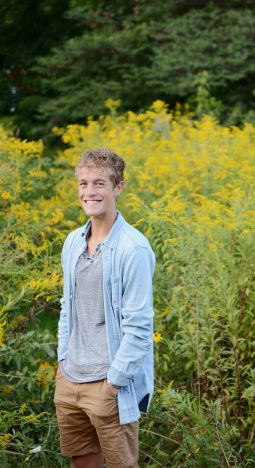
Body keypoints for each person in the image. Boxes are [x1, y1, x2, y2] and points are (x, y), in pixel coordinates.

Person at [54, 147, 156, 468]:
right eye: (83, 183)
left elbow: (139, 326)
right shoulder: (73, 241)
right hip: (70, 378)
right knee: (82, 463)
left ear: (118, 187)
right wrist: (62, 359)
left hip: (107, 383)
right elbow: (68, 307)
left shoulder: (133, 249)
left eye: (100, 183)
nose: (90, 192)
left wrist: (113, 383)